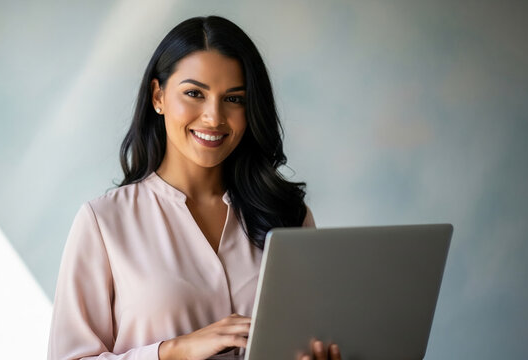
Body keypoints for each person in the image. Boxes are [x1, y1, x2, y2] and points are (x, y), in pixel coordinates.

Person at [47, 15, 341, 360]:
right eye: (194, 94)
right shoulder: (104, 222)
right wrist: (174, 351)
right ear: (158, 96)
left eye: (234, 99)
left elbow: (311, 334)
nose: (214, 117)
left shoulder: (289, 215)